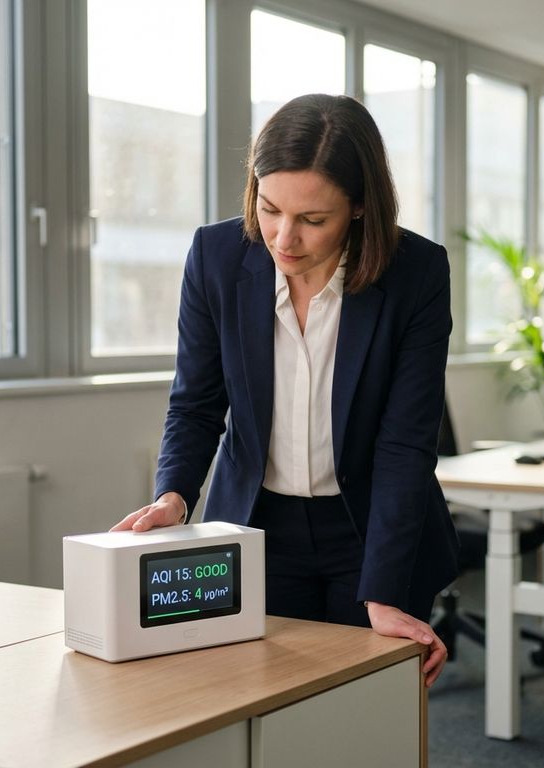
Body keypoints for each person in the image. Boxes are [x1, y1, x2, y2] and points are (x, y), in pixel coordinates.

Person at [111, 94, 457, 687]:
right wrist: (174, 494)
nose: (283, 238)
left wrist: (383, 591)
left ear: (359, 208)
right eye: (269, 209)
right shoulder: (217, 257)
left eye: (312, 220)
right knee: (254, 707)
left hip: (372, 532)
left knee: (363, 719)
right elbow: (196, 403)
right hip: (256, 527)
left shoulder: (416, 273)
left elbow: (405, 444)